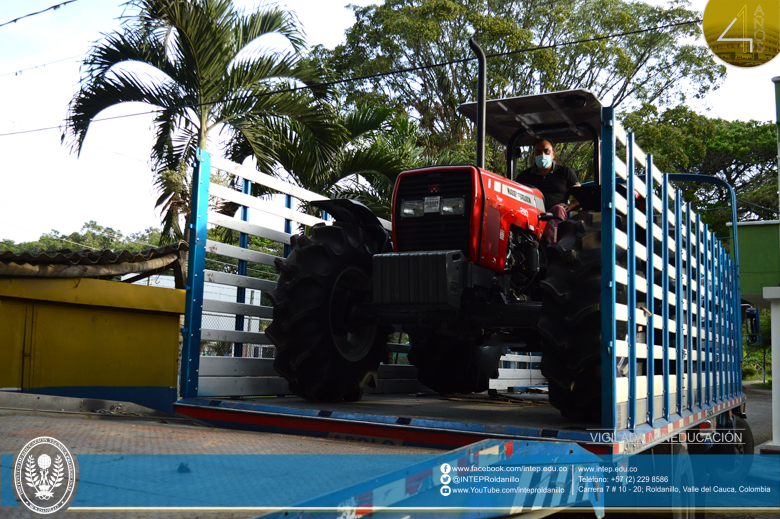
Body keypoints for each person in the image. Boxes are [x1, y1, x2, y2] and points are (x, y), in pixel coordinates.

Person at [515, 138, 580, 220]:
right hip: (532, 216)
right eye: (538, 152)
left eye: (546, 151)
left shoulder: (565, 172)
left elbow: (581, 197)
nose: (542, 154)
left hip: (557, 216)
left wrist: (569, 206)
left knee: (558, 209)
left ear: (553, 154)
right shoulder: (524, 176)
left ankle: (555, 231)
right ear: (534, 154)